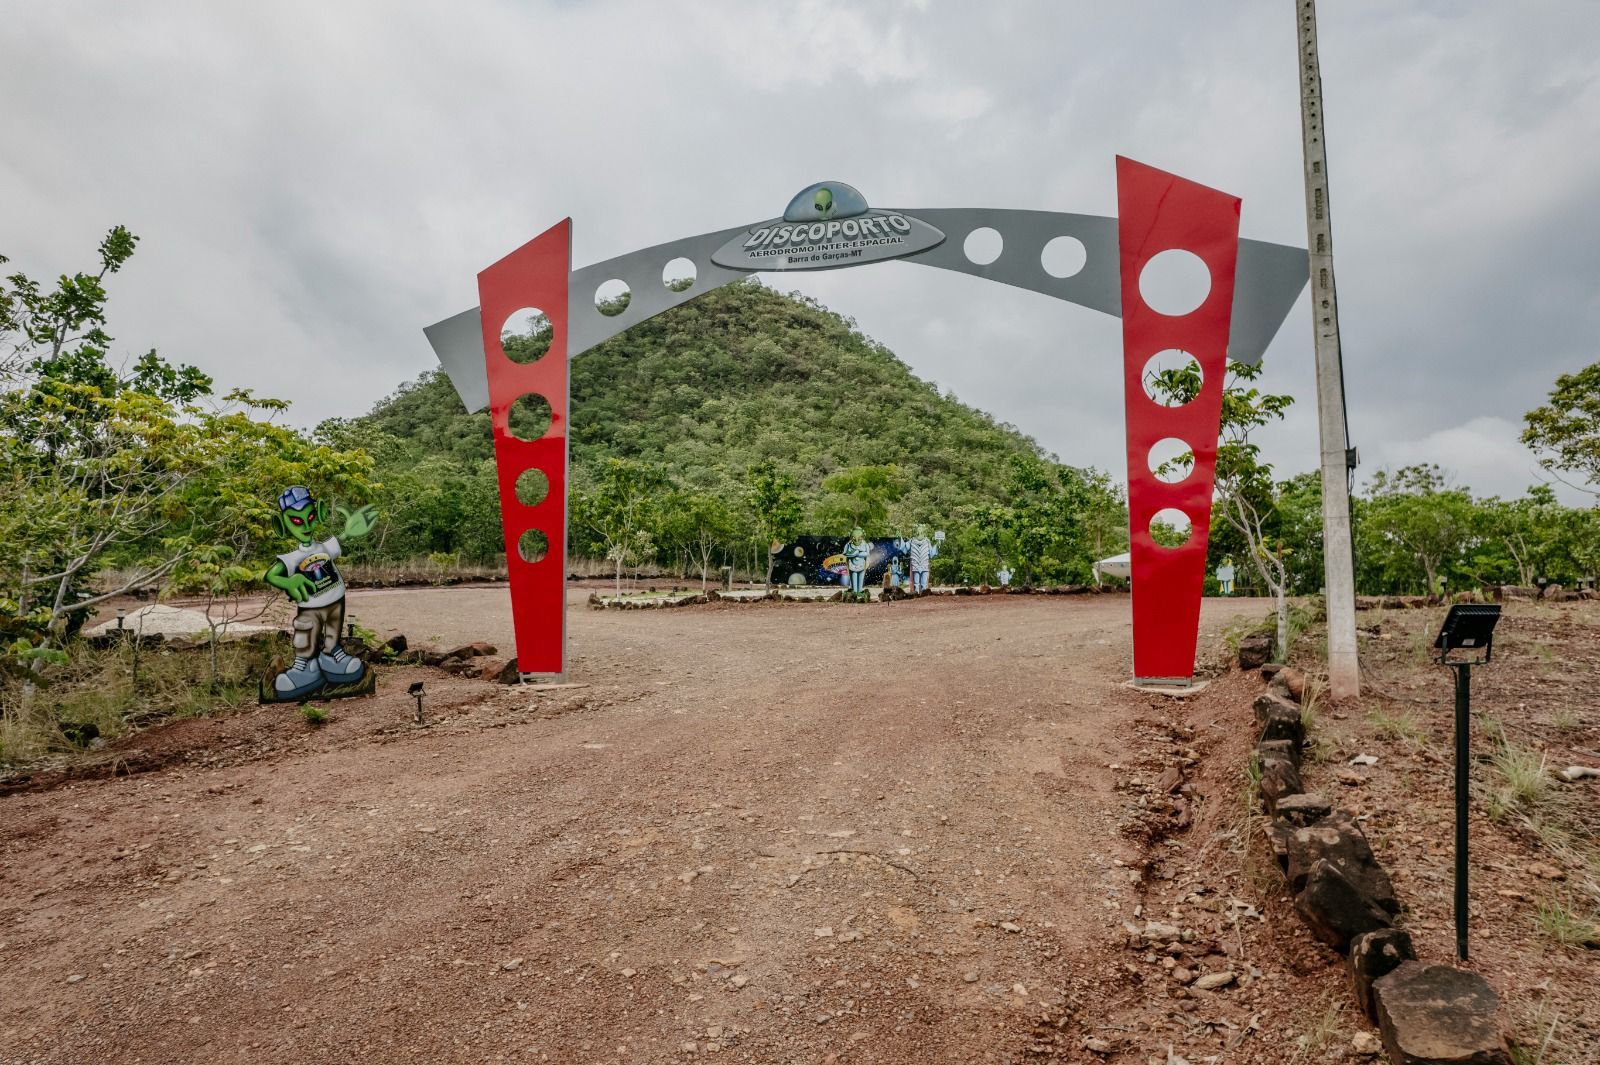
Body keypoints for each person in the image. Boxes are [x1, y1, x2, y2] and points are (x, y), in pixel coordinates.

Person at [263, 486, 378, 700]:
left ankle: (332, 656)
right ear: (281, 525)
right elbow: (271, 575)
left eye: (310, 517)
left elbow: (343, 538)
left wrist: (352, 529)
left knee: (334, 632)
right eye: (296, 521)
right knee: (306, 634)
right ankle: (304, 666)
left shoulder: (324, 548)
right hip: (310, 607)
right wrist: (289, 582)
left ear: (320, 513)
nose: (306, 525)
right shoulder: (291, 558)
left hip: (336, 600)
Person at [907, 524, 936, 593]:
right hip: (915, 565)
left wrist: (938, 543)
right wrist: (899, 538)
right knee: (916, 584)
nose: (919, 532)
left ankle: (924, 595)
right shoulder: (912, 540)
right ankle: (916, 594)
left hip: (924, 564)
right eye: (918, 530)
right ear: (915, 531)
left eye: (921, 530)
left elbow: (931, 553)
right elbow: (906, 548)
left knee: (924, 584)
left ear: (924, 532)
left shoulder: (927, 541)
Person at [843, 526, 870, 595]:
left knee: (861, 577)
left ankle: (860, 591)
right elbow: (845, 553)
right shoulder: (849, 545)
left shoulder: (865, 544)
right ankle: (854, 591)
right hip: (852, 565)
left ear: (862, 536)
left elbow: (867, 553)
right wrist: (854, 554)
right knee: (853, 577)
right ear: (851, 536)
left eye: (860, 537)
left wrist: (858, 553)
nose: (857, 540)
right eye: (854, 537)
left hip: (861, 565)